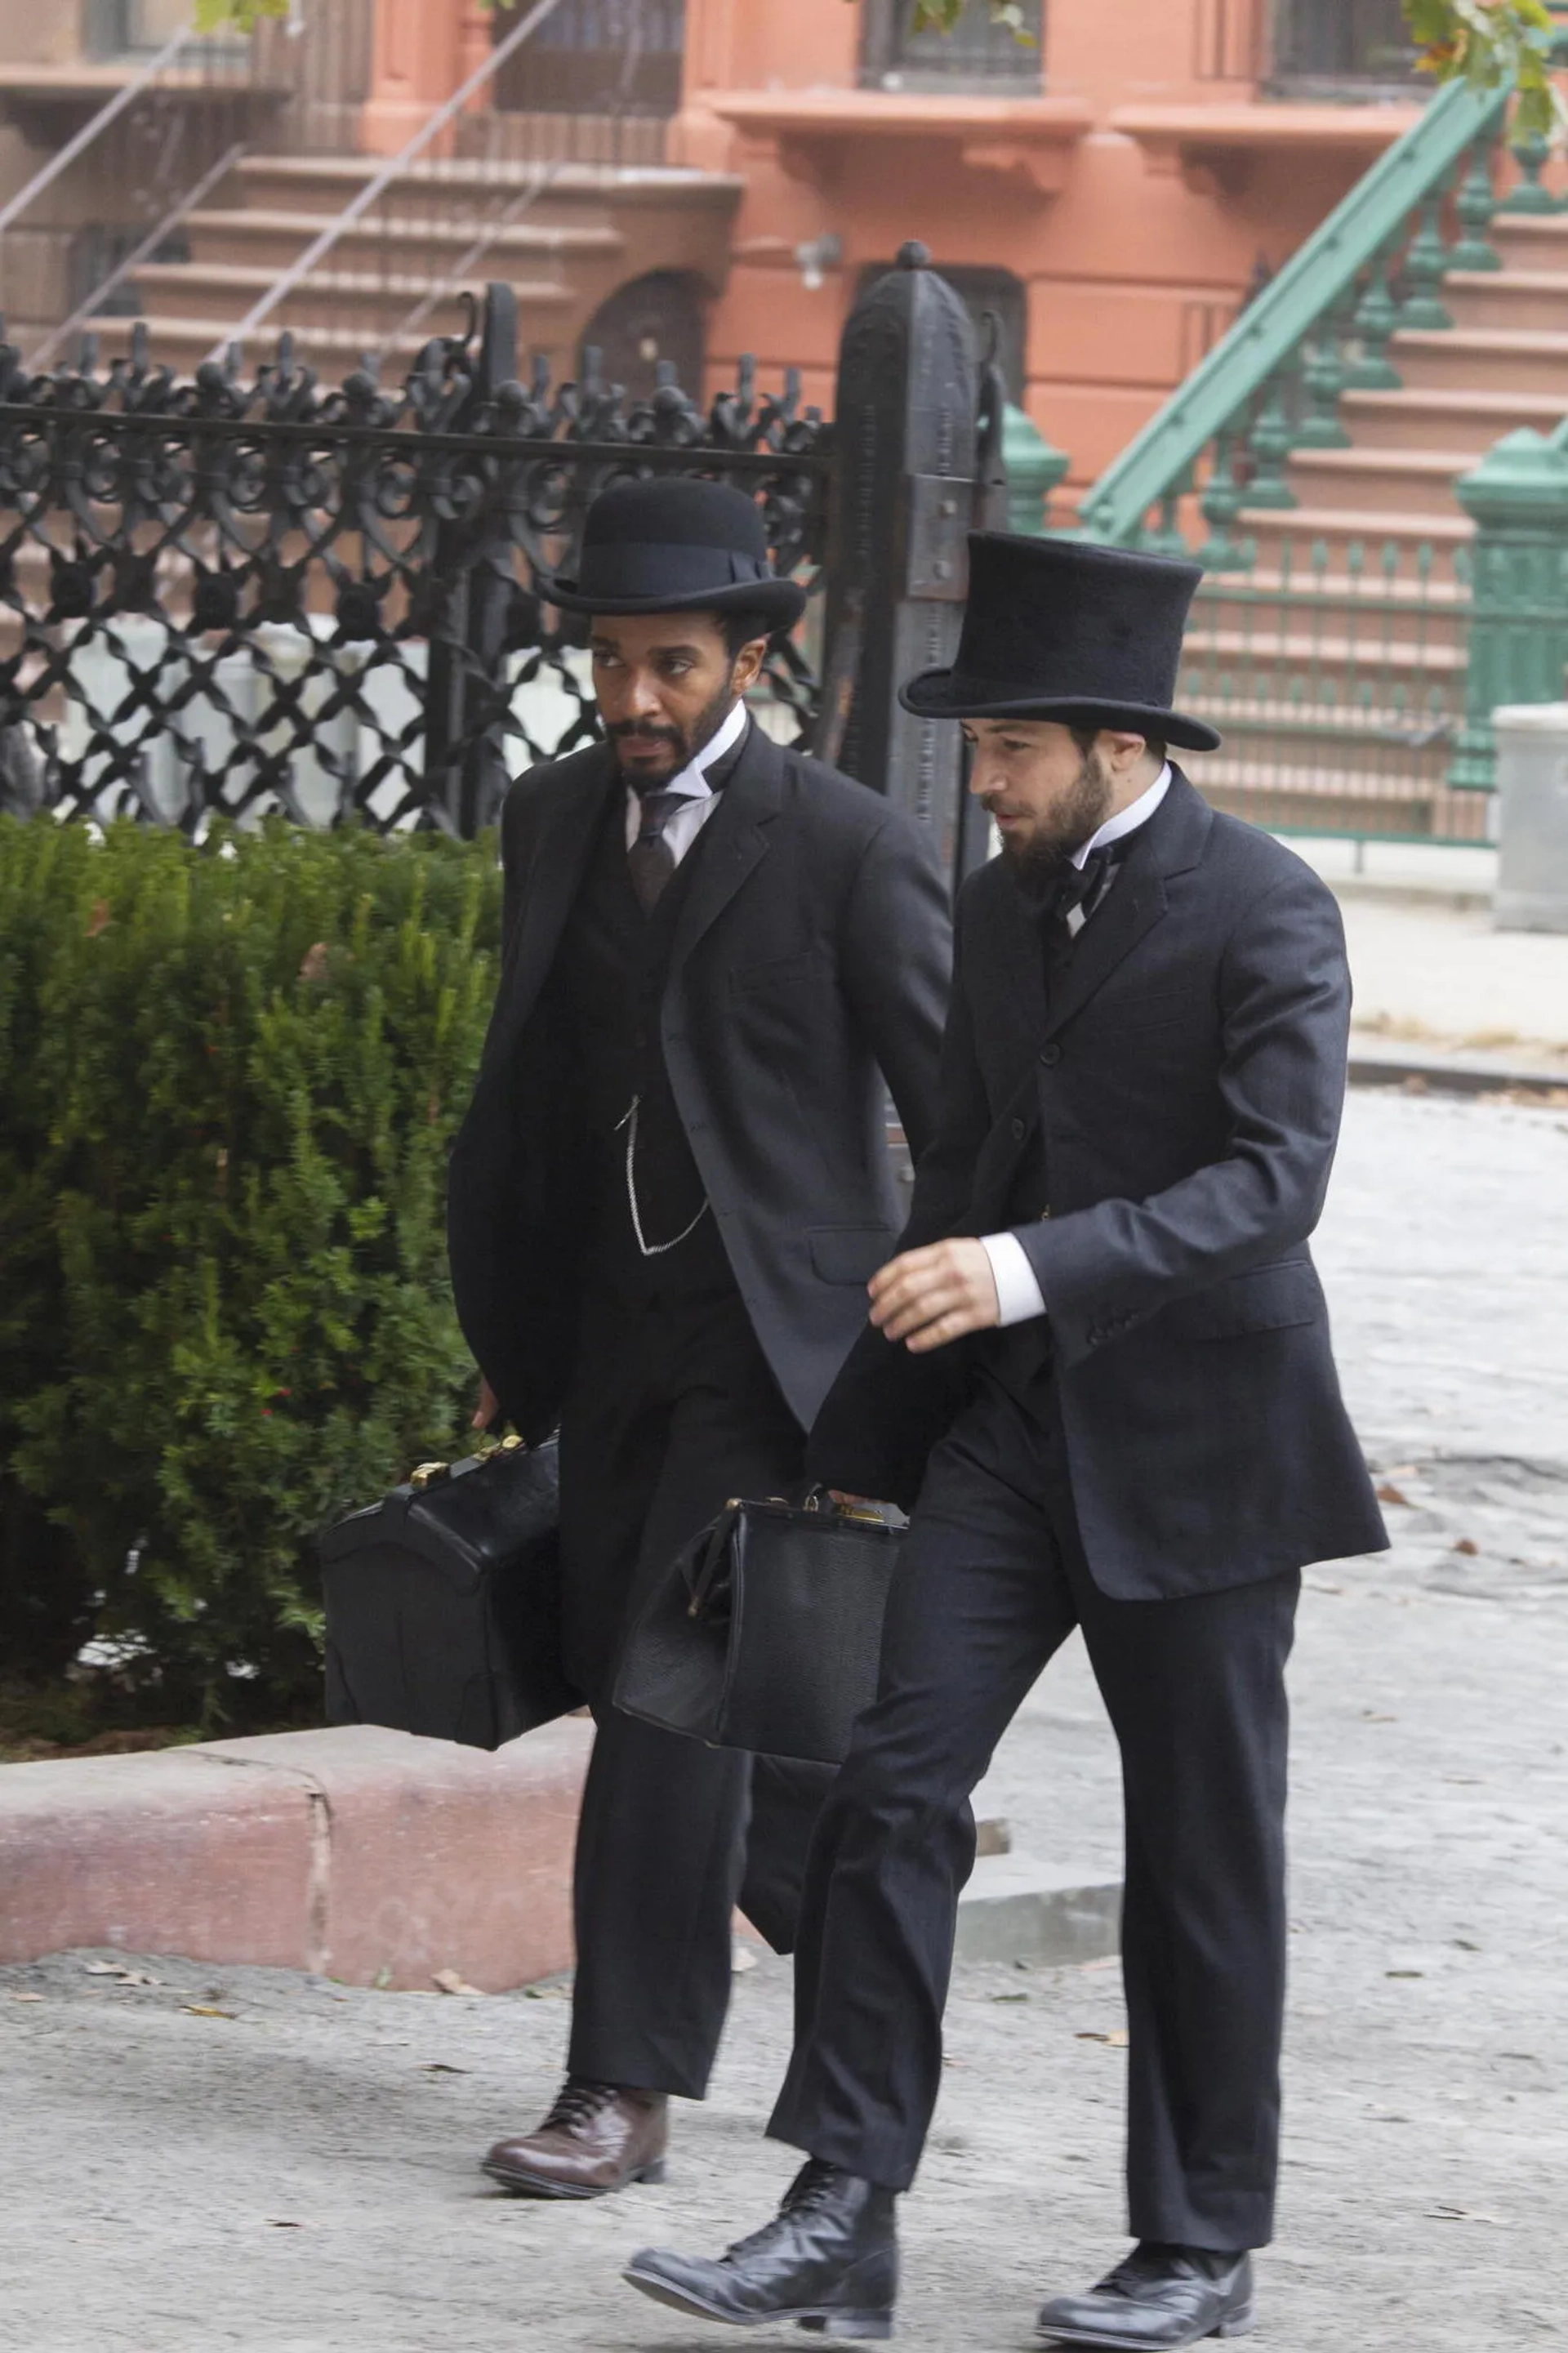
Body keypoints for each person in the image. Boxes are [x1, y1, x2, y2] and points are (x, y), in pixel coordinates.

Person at [622, 532, 1388, 2345]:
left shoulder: (1269, 906)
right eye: (979, 753)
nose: (981, 781)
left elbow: (1275, 1188)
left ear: (1119, 748)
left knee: (1205, 1848)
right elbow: (957, 1172)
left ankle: (1196, 2244)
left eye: (1009, 752)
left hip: (1208, 1449)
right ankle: (841, 2215)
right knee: (888, 1792)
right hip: (1007, 1444)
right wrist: (859, 1448)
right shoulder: (991, 905)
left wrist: (1026, 1269)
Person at [446, 477, 951, 2202]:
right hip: (603, 1336)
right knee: (665, 1689)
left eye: (671, 665)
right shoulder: (551, 814)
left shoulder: (848, 845)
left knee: (664, 1711)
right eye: (611, 666)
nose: (637, 702)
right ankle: (870, 1916)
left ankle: (621, 2087)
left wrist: (936, 1336)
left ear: (748, 655)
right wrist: (510, 1329)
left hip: (773, 1353)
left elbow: (956, 1112)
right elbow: (532, 1086)